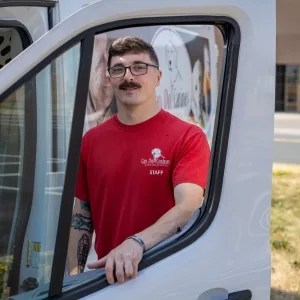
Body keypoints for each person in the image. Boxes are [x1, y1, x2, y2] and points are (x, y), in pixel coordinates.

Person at [67, 36, 211, 285]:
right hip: (108, 281)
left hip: (169, 278)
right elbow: (81, 217)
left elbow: (188, 208)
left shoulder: (189, 137)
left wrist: (138, 242)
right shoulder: (91, 141)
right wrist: (73, 280)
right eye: (118, 69)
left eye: (139, 67)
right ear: (109, 79)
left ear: (158, 77)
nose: (128, 76)